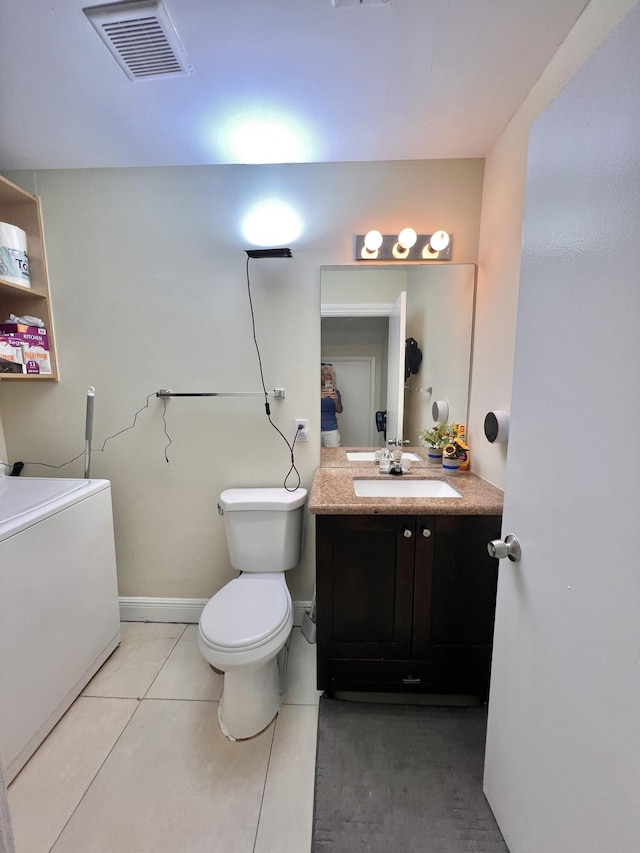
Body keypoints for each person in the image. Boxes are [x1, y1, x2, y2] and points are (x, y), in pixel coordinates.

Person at [320, 363, 343, 447]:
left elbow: (340, 410)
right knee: (313, 456)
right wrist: (319, 397)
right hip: (314, 428)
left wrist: (336, 400)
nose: (325, 377)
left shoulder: (336, 392)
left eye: (328, 374)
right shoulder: (313, 392)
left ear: (331, 377)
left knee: (334, 456)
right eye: (322, 374)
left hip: (331, 429)